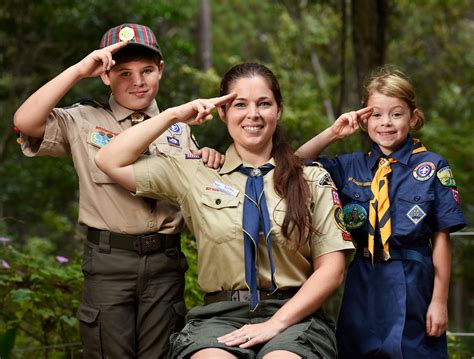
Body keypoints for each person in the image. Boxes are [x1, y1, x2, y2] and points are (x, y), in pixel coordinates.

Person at [95, 62, 355, 358]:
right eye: (239, 104)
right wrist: (173, 115)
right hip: (219, 317)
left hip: (294, 316)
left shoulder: (311, 178)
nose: (253, 115)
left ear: (278, 110)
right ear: (223, 112)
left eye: (264, 104)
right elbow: (109, 160)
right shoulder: (196, 172)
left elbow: (332, 270)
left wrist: (274, 324)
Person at [13, 23, 224, 358]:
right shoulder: (83, 119)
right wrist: (78, 71)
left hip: (165, 262)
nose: (137, 82)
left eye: (146, 71)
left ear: (161, 71)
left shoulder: (180, 128)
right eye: (124, 73)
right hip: (110, 263)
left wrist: (210, 158)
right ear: (105, 76)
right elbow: (25, 122)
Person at [296, 65, 467, 358]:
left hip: (413, 280)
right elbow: (293, 164)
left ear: (413, 117)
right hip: (364, 279)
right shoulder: (350, 167)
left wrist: (439, 301)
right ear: (364, 119)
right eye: (376, 114)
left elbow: (441, 239)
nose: (385, 123)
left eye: (396, 114)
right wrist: (333, 133)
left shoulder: (433, 167)